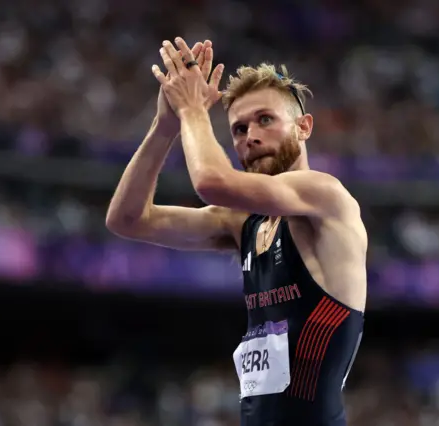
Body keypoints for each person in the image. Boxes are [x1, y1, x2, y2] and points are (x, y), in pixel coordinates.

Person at [106, 37, 367, 426]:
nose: (251, 137)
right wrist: (165, 126)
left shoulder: (325, 195)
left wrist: (193, 109)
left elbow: (211, 181)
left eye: (265, 120)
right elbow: (127, 220)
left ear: (304, 126)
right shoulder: (242, 221)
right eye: (239, 129)